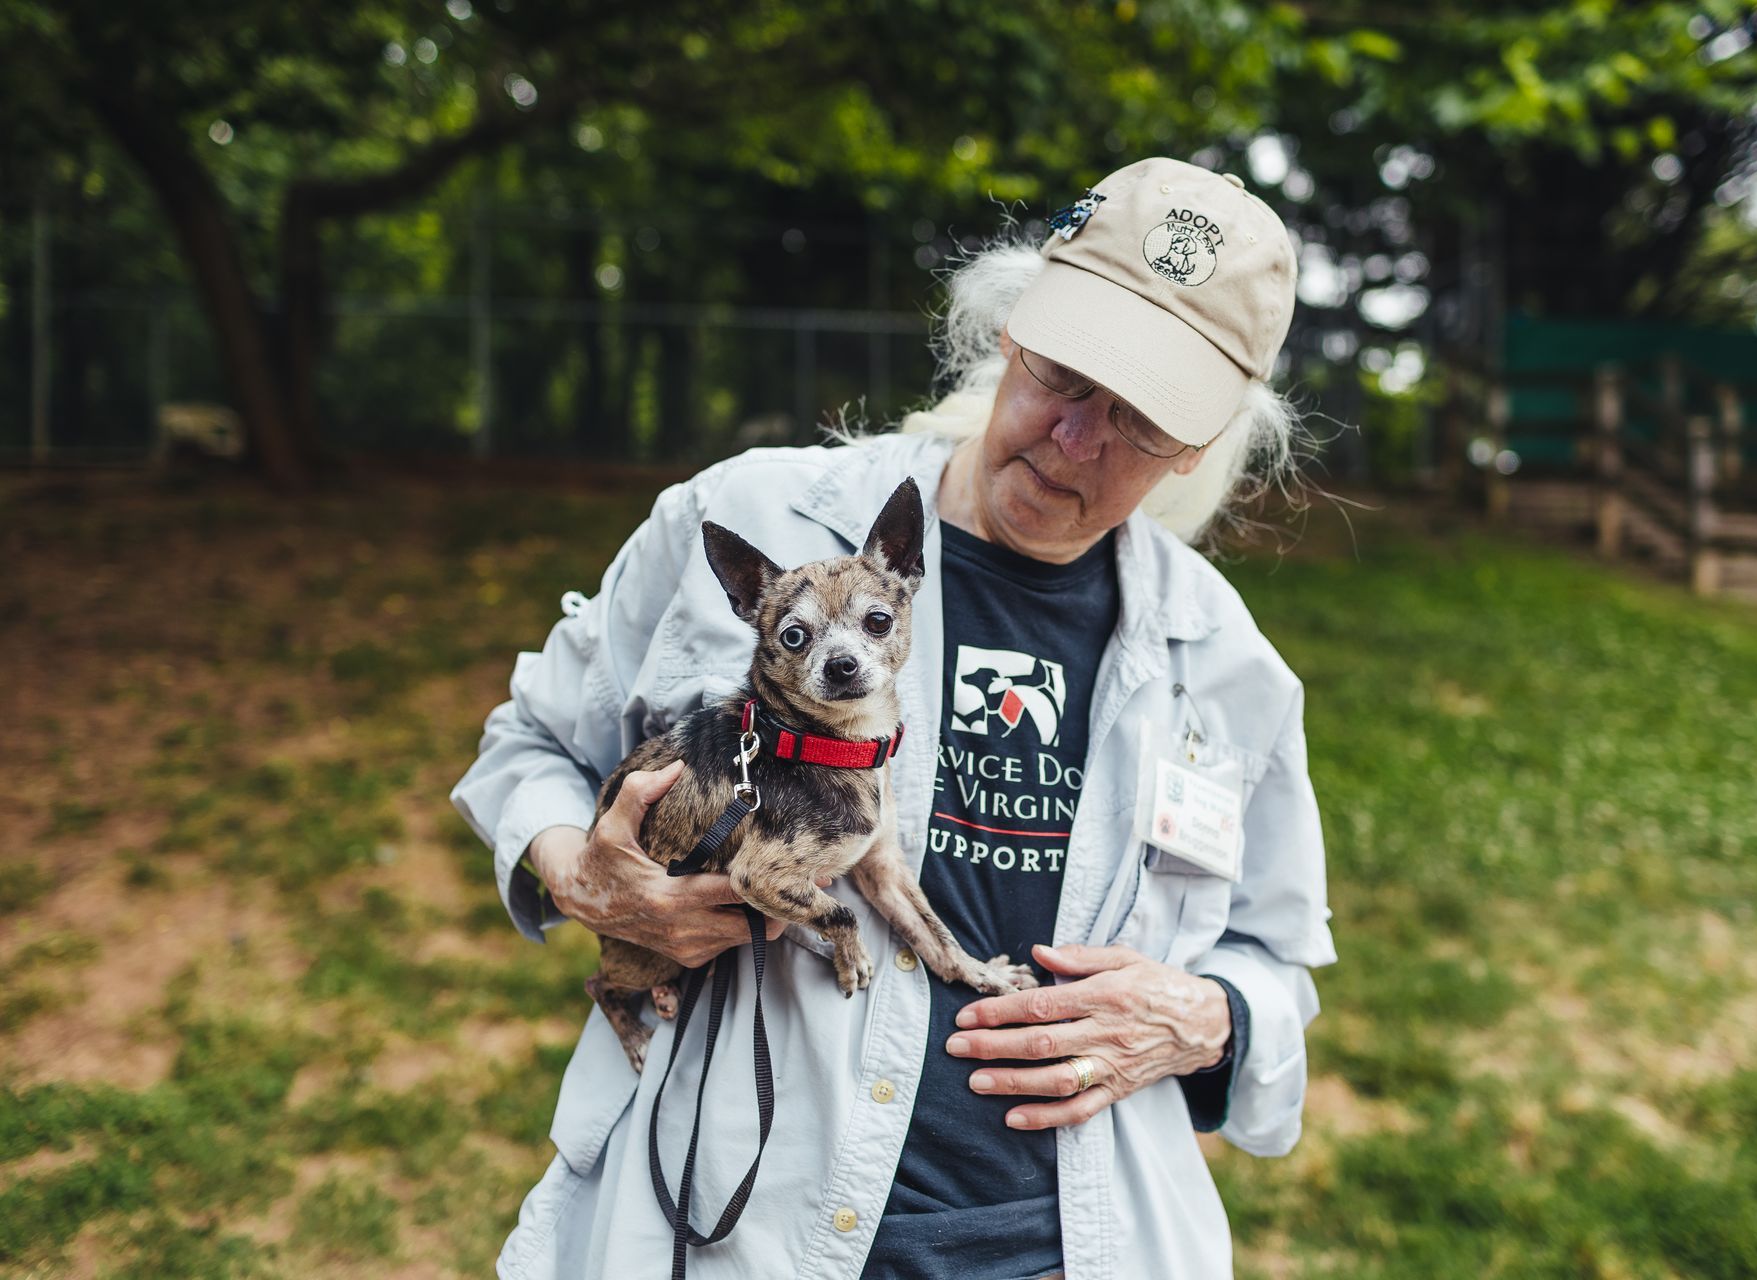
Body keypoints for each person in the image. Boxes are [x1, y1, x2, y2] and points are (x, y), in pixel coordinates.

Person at [451, 156, 1336, 1280]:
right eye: (1065, 373)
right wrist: (583, 871)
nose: (1074, 437)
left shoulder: (1225, 661)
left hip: (1070, 1245)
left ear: (1198, 449)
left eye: (1141, 417)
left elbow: (1277, 959)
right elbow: (527, 742)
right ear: (1012, 329)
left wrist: (1206, 1017)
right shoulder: (753, 515)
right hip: (741, 1224)